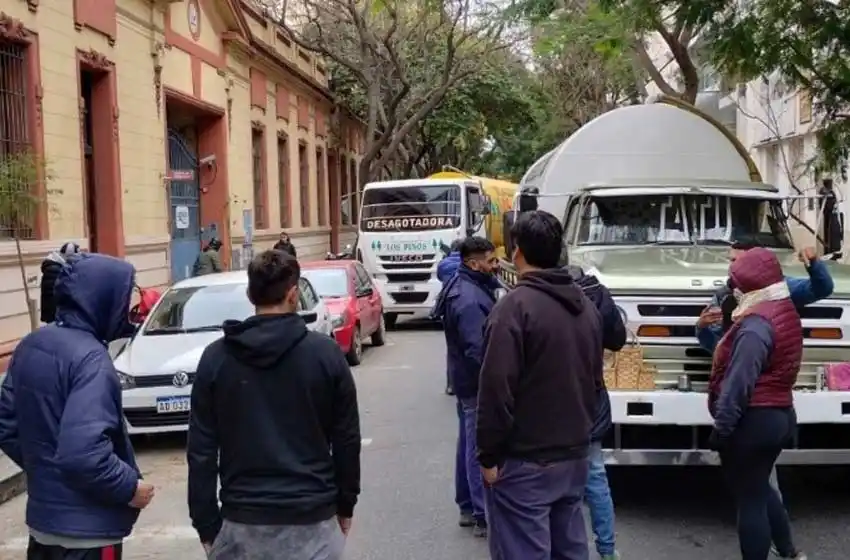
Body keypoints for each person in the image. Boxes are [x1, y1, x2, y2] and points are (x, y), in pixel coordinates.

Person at [187, 249, 361, 560]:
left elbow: (201, 450)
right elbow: (346, 440)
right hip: (313, 522)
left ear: (249, 295)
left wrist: (206, 524)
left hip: (242, 523)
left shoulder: (217, 358)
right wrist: (345, 504)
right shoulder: (326, 355)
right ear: (293, 295)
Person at [0, 253, 154, 560]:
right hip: (88, 537)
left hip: (44, 528)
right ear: (103, 299)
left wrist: (45, 470)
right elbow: (85, 454)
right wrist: (129, 488)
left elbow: (6, 424)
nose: (127, 309)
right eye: (124, 298)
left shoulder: (31, 344)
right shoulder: (92, 361)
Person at [478, 211, 601, 560]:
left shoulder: (514, 309)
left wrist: (488, 455)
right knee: (570, 549)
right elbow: (594, 379)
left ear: (517, 252)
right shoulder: (585, 306)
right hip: (574, 453)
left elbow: (496, 389)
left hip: (526, 459)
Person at [697, 242, 828, 560]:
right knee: (760, 487)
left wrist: (722, 428)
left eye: (738, 279)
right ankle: (789, 551)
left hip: (753, 420)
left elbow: (739, 383)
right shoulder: (782, 309)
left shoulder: (755, 326)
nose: (733, 286)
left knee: (750, 501)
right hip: (779, 413)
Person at [434, 236, 500, 538]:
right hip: (475, 384)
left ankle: (467, 504)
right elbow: (478, 352)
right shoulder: (470, 299)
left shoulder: (466, 286)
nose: (496, 265)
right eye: (491, 261)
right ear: (474, 264)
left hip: (465, 381)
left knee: (468, 442)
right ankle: (481, 512)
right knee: (477, 447)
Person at [567, 265, 626, 560]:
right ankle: (607, 549)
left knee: (561, 482)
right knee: (595, 475)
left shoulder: (548, 297)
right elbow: (617, 340)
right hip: (592, 393)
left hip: (558, 401)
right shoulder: (599, 294)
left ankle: (568, 547)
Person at [436, 239, 463, 395]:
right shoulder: (467, 263)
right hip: (465, 305)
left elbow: (440, 277)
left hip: (448, 308)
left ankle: (451, 385)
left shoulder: (443, 264)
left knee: (452, 348)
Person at [39, 241, 80, 324]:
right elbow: (61, 291)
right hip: (55, 313)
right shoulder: (55, 269)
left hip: (56, 313)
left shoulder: (58, 266)